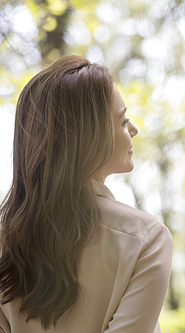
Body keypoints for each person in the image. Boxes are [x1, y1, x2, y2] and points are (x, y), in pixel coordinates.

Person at [0, 55, 173, 332]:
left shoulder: (6, 239)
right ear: (89, 137)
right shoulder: (146, 238)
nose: (134, 129)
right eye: (122, 121)